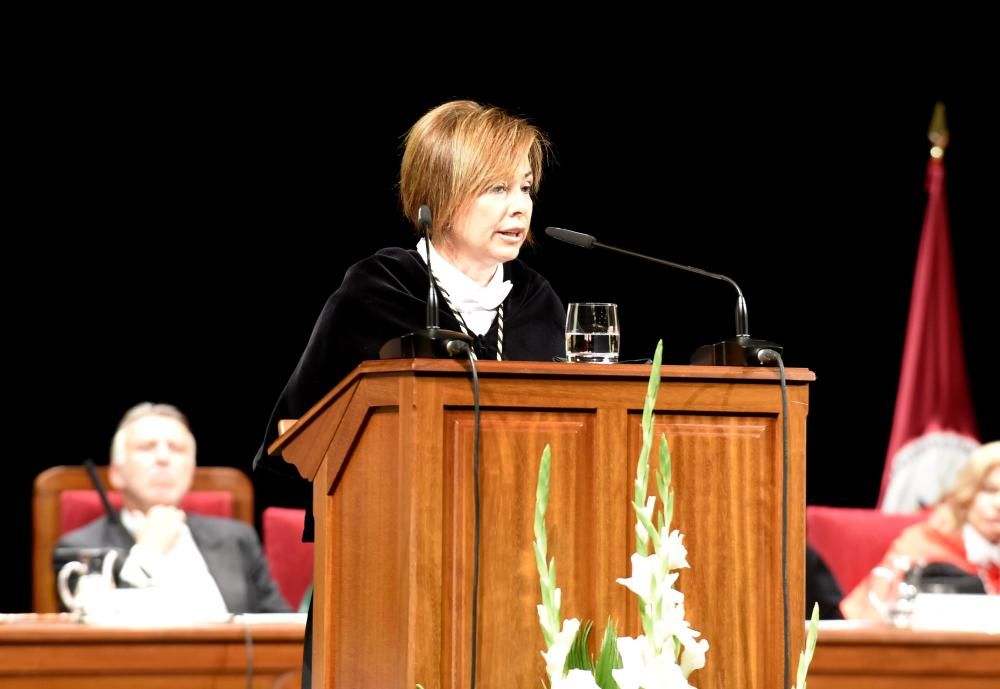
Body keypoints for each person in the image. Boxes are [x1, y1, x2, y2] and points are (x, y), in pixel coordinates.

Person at [254, 99, 566, 687]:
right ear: (439, 194)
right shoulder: (378, 291)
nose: (519, 205)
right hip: (388, 569)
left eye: (524, 187)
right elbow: (291, 441)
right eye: (495, 188)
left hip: (520, 574)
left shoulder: (538, 301)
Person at [57, 402, 291, 615]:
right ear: (117, 474)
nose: (163, 458)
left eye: (177, 449)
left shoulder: (238, 538)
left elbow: (284, 628)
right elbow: (90, 634)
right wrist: (147, 553)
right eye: (147, 447)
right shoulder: (79, 548)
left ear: (191, 471)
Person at [842, 441, 1000, 619]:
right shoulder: (924, 543)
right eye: (989, 491)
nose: (998, 504)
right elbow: (876, 615)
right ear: (967, 493)